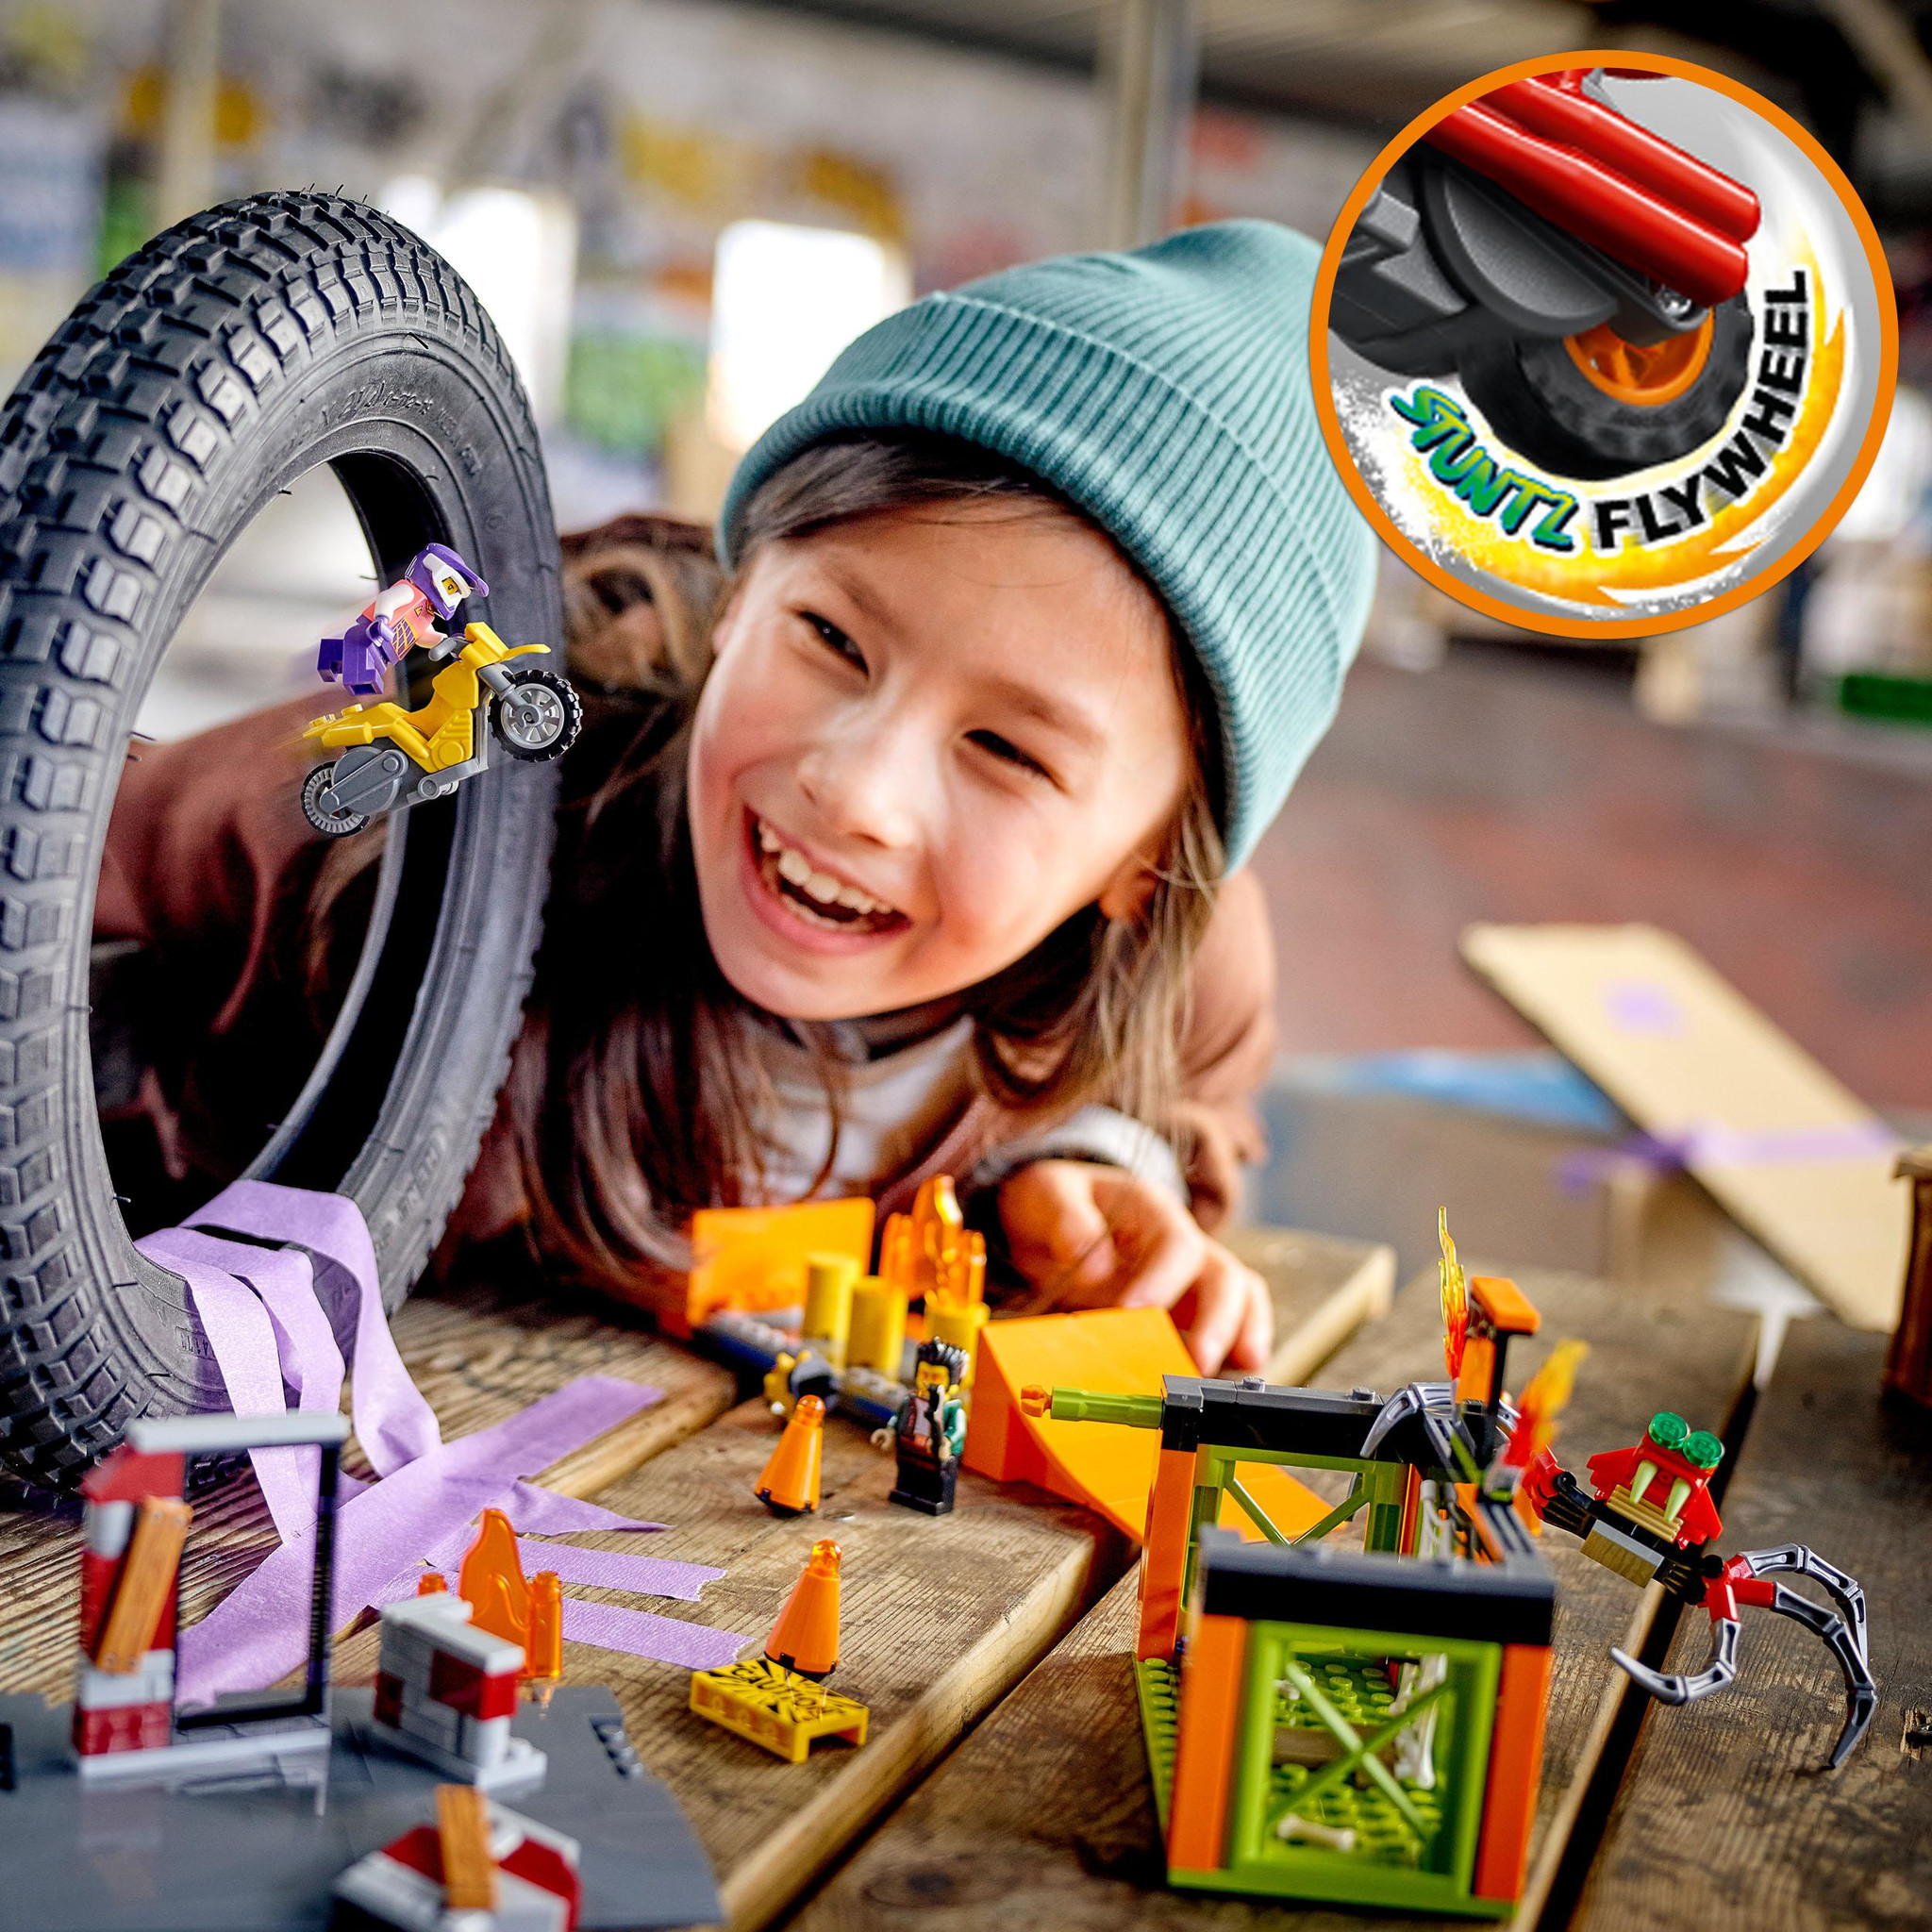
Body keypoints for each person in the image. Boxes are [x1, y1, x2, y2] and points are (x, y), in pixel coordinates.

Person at [94, 221, 1375, 1376]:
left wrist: (1085, 1164)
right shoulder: (439, 809)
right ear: (738, 596)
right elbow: (59, 844)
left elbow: (1188, 1102)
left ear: (1143, 866)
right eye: (831, 638)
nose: (855, 790)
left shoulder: (1179, 973)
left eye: (1007, 750)